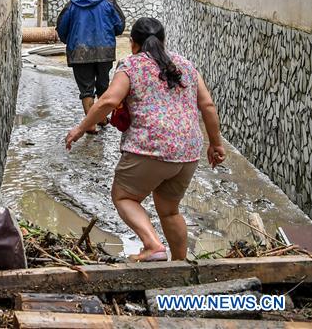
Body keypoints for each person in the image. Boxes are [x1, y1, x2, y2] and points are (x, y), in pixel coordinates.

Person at [65, 17, 226, 261]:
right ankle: (180, 266)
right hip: (188, 152)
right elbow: (208, 105)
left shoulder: (131, 66)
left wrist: (79, 129)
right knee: (170, 211)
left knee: (124, 196)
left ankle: (153, 245)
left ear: (133, 44)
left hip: (150, 148)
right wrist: (215, 144)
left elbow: (108, 101)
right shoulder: (186, 65)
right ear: (163, 41)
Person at [55, 0, 126, 131]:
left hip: (79, 52)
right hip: (104, 51)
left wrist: (70, 41)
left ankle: (92, 124)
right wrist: (107, 35)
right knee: (103, 86)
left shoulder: (72, 4)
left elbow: (61, 28)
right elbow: (120, 25)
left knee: (86, 89)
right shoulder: (108, 1)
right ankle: (100, 118)